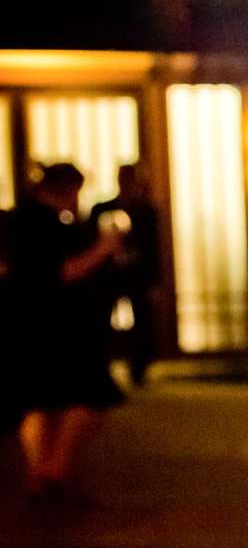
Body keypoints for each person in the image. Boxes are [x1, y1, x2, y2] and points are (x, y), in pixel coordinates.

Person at [8, 165, 127, 508]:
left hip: (32, 326)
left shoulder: (25, 221)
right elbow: (59, 273)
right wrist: (103, 249)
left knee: (40, 402)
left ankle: (42, 477)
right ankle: (53, 473)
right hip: (59, 328)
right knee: (82, 398)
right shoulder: (42, 225)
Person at [93, 161, 163, 387]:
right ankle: (102, 368)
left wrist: (156, 281)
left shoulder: (146, 211)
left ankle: (139, 370)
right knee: (102, 321)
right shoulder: (103, 209)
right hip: (107, 273)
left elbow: (155, 248)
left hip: (138, 274)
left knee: (142, 322)